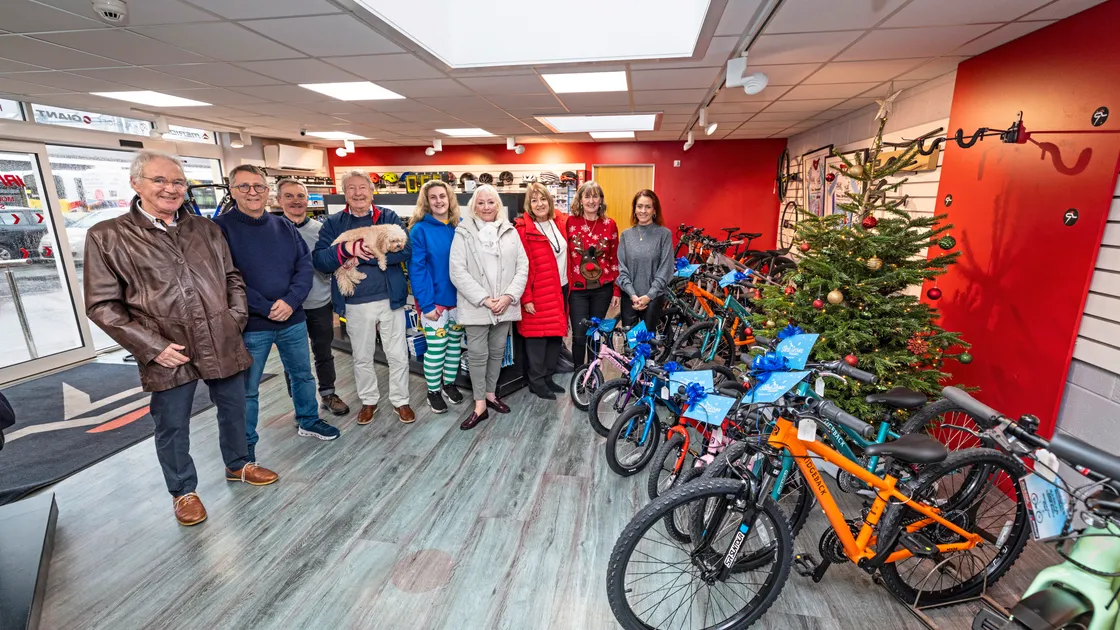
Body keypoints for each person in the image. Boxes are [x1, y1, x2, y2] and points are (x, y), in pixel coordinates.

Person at [84, 150, 277, 527]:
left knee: (234, 409)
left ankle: (239, 464)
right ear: (136, 183)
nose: (170, 189)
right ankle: (183, 491)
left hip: (220, 338)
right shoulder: (108, 236)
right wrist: (153, 348)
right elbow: (102, 305)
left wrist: (234, 318)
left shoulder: (206, 230)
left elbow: (232, 278)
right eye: (159, 180)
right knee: (172, 424)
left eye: (177, 182)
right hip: (168, 348)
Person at [215, 166, 341, 460]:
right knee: (247, 388)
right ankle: (244, 445)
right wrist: (264, 306)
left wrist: (292, 300)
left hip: (292, 318)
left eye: (258, 186)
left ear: (267, 191)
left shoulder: (283, 226)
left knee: (302, 375)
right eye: (244, 187)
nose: (252, 192)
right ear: (232, 190)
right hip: (251, 324)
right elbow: (223, 276)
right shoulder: (220, 229)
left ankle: (308, 420)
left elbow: (304, 265)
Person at [313, 171, 415, 425]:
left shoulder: (388, 216)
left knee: (398, 354)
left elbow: (406, 250)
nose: (358, 193)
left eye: (362, 188)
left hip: (390, 299)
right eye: (351, 189)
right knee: (362, 355)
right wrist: (345, 251)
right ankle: (369, 401)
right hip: (355, 302)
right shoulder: (334, 223)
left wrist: (364, 257)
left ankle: (401, 401)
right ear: (344, 193)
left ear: (371, 191)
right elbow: (321, 260)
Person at [448, 184, 528, 431]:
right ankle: (480, 404)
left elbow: (522, 267)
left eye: (490, 202)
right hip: (478, 306)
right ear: (474, 205)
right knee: (477, 355)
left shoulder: (510, 231)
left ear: (498, 205)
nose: (486, 207)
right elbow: (457, 271)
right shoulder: (463, 232)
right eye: (481, 202)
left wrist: (508, 296)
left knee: (496, 353)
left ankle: (492, 394)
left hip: (504, 306)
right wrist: (484, 299)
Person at [277, 179, 350, 417]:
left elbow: (332, 263)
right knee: (293, 359)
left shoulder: (321, 231)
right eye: (289, 196)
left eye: (300, 196)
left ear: (307, 200)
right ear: (279, 200)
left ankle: (328, 393)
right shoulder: (273, 230)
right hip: (288, 307)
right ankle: (300, 401)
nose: (296, 201)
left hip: (319, 302)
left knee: (323, 352)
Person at [409, 179, 466, 414]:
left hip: (460, 301)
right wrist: (427, 303)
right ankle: (433, 391)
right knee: (437, 347)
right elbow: (417, 269)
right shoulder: (420, 229)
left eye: (442, 196)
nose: (439, 201)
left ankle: (449, 384)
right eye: (433, 197)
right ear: (426, 201)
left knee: (454, 346)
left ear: (449, 198)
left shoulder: (460, 225)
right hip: (435, 302)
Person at [514, 183, 568, 399]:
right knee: (537, 339)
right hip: (537, 293)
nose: (539, 204)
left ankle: (547, 377)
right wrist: (526, 297)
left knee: (555, 337)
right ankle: (536, 382)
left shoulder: (559, 223)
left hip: (561, 289)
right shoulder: (523, 231)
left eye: (543, 199)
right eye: (534, 200)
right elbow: (520, 266)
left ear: (550, 201)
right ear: (529, 205)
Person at [566, 180, 620, 366]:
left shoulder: (610, 224)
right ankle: (578, 377)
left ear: (600, 200)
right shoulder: (570, 222)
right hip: (577, 290)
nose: (591, 200)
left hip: (602, 290)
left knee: (596, 334)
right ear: (580, 200)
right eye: (587, 196)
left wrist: (616, 290)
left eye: (595, 196)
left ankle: (593, 375)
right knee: (579, 335)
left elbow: (614, 260)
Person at [617, 189, 675, 331]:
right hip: (630, 298)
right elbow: (621, 268)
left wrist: (649, 296)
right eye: (640, 206)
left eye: (648, 207)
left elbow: (665, 269)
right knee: (630, 344)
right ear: (634, 209)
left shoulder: (664, 234)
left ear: (654, 210)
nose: (643, 211)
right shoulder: (626, 235)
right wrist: (632, 294)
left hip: (653, 298)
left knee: (648, 344)